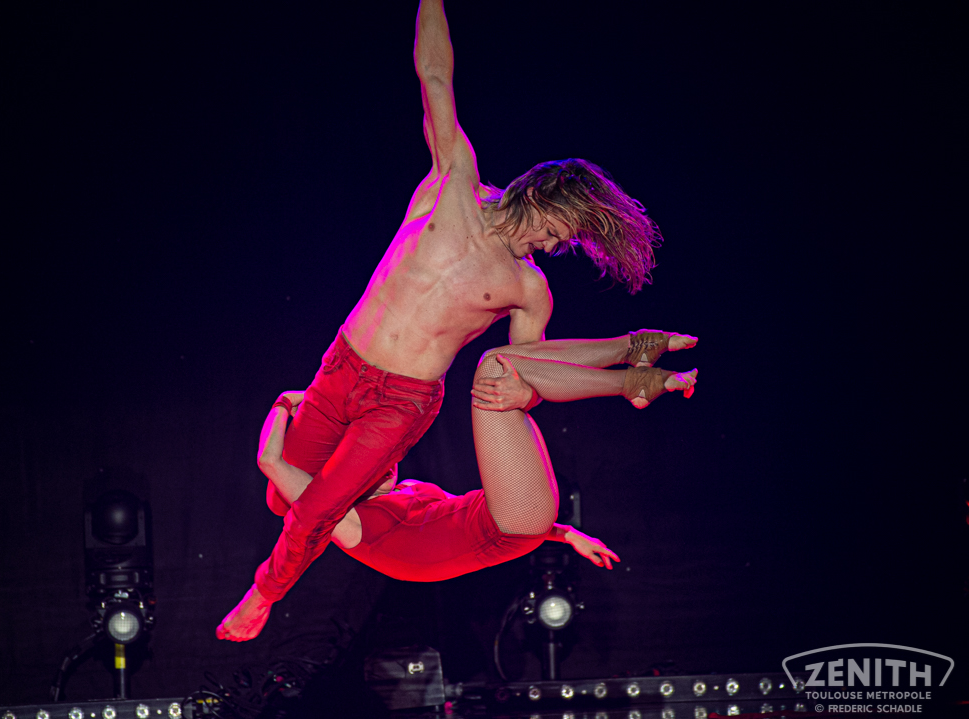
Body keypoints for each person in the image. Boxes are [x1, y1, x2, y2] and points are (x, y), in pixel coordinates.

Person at [228, 0, 667, 640]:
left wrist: (528, 394)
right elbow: (435, 74)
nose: (552, 247)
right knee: (281, 499)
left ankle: (263, 594)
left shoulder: (528, 289)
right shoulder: (452, 183)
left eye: (564, 242)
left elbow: (527, 376)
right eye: (558, 230)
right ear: (539, 193)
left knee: (318, 507)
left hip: (401, 402)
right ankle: (372, 491)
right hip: (341, 367)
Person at [217, 331, 697, 640]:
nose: (385, 457)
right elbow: (270, 462)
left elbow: (479, 512)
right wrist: (283, 404)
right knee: (494, 372)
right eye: (370, 458)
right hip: (509, 525)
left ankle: (634, 350)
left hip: (518, 519)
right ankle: (631, 379)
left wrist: (566, 534)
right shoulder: (351, 525)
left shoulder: (406, 493)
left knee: (504, 367)